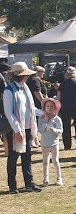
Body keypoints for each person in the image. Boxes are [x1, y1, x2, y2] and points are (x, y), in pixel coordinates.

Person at [3, 61, 40, 193]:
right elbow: (9, 113)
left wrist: (44, 113)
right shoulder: (8, 91)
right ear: (21, 76)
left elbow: (30, 108)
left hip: (28, 127)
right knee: (13, 158)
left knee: (27, 156)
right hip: (14, 129)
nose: (28, 77)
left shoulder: (25, 88)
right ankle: (12, 186)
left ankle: (29, 183)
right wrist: (17, 130)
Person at [38, 98, 63, 186]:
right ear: (44, 108)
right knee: (45, 162)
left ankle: (59, 178)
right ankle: (45, 179)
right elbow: (40, 130)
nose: (49, 108)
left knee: (55, 161)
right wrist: (45, 122)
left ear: (55, 108)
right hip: (44, 144)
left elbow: (61, 130)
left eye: (51, 106)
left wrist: (55, 130)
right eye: (47, 106)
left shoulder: (57, 119)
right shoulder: (41, 118)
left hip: (54, 143)